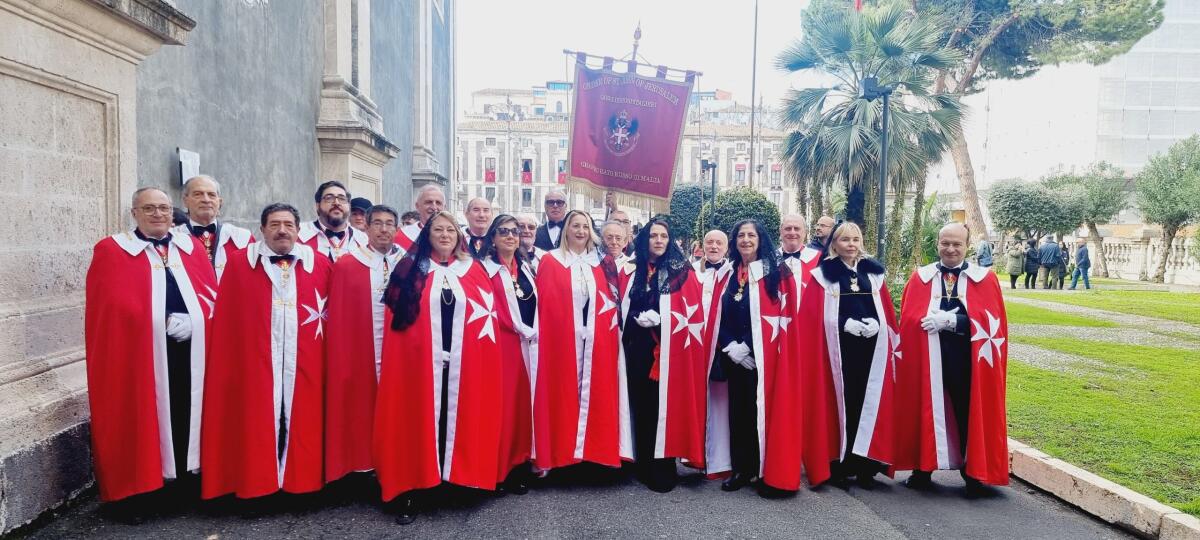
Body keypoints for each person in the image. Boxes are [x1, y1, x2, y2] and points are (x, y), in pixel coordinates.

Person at [85, 187, 217, 520]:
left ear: (173, 213)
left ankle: (186, 483)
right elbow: (112, 308)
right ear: (134, 213)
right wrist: (160, 322)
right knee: (140, 416)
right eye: (148, 209)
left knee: (187, 413)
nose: (158, 214)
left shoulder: (191, 248)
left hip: (190, 353)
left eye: (163, 208)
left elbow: (211, 295)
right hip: (139, 357)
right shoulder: (113, 251)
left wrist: (197, 321)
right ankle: (140, 493)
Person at [375, 211, 502, 524]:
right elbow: (397, 322)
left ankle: (456, 480)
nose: (445, 235)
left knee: (458, 418)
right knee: (415, 421)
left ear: (459, 236)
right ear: (427, 236)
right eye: (438, 230)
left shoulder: (473, 270)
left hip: (465, 362)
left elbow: (485, 317)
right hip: (418, 363)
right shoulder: (409, 268)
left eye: (450, 230)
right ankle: (411, 487)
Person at [201, 203, 332, 500]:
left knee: (304, 417)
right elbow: (228, 320)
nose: (282, 230)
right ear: (261, 229)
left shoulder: (320, 264)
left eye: (288, 225)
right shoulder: (239, 264)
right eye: (274, 225)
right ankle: (259, 484)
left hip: (306, 357)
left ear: (298, 230)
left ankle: (301, 484)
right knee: (257, 418)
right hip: (256, 360)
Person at [893, 223, 1009, 496]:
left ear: (967, 246)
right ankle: (923, 468)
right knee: (926, 408)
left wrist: (954, 321)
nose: (950, 249)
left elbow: (992, 323)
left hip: (968, 360)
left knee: (968, 411)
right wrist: (923, 320)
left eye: (957, 244)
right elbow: (907, 319)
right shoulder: (920, 278)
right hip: (927, 358)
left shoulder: (985, 279)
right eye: (945, 243)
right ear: (938, 244)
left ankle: (974, 473)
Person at [798, 222, 898, 490]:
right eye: (845, 240)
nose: (851, 244)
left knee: (867, 404)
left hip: (870, 352)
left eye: (855, 239)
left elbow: (885, 311)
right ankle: (839, 466)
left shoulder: (873, 273)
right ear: (834, 243)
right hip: (837, 354)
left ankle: (866, 466)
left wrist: (878, 324)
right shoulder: (822, 275)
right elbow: (811, 317)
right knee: (841, 405)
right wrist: (843, 323)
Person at [532, 210, 630, 473]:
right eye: (575, 226)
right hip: (561, 341)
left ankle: (593, 454)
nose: (580, 231)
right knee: (561, 394)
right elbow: (546, 304)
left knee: (596, 392)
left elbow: (612, 300)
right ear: (566, 229)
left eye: (585, 226)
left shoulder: (601, 263)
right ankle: (561, 455)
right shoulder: (550, 261)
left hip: (597, 340)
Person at [711, 219, 802, 496]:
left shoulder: (777, 273)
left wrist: (749, 346)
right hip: (734, 357)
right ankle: (742, 469)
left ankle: (766, 470)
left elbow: (780, 317)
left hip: (766, 358)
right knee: (738, 413)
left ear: (761, 239)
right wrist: (731, 347)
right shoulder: (727, 273)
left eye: (751, 235)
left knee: (763, 413)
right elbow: (715, 314)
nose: (746, 240)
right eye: (741, 235)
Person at [617, 218, 707, 493]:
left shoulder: (682, 271)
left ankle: (663, 466)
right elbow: (620, 306)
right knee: (641, 406)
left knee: (663, 408)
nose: (658, 241)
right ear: (645, 239)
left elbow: (690, 311)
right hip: (636, 349)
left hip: (668, 352)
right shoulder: (631, 269)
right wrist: (636, 317)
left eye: (664, 236)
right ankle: (642, 463)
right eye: (653, 235)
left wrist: (662, 320)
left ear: (670, 240)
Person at [323, 205, 404, 485]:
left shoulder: (408, 263)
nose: (384, 229)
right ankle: (362, 463)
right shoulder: (347, 265)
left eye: (389, 223)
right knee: (361, 406)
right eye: (377, 223)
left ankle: (396, 462)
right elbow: (339, 315)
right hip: (361, 349)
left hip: (400, 351)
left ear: (397, 229)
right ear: (366, 228)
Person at [477, 214, 538, 495]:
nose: (511, 236)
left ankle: (518, 466)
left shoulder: (526, 268)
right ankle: (496, 471)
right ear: (492, 237)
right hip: (500, 346)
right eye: (503, 231)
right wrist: (519, 327)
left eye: (514, 232)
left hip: (527, 347)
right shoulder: (483, 270)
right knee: (501, 408)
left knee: (522, 407)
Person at [692, 230, 734, 475]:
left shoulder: (733, 274)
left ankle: (720, 460)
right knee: (696, 401)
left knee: (720, 404)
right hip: (695, 346)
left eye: (719, 243)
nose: (714, 246)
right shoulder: (691, 271)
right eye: (710, 242)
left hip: (721, 348)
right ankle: (695, 456)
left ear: (726, 248)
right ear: (703, 245)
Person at [171, 175, 254, 282]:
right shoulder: (173, 238)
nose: (206, 200)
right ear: (185, 201)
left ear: (220, 202)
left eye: (211, 195)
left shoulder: (242, 238)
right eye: (198, 194)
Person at [299, 180, 368, 262]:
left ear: (349, 206)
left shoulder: (363, 240)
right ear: (317, 206)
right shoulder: (299, 233)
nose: (336, 203)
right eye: (329, 198)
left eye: (342, 198)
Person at [778, 214, 822, 296]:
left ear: (805, 232)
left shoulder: (819, 259)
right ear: (780, 231)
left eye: (797, 228)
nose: (792, 232)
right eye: (788, 228)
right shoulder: (770, 260)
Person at [394, 185, 446, 251]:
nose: (434, 207)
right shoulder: (402, 235)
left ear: (444, 208)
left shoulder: (453, 237)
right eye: (429, 202)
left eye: (438, 203)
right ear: (417, 206)